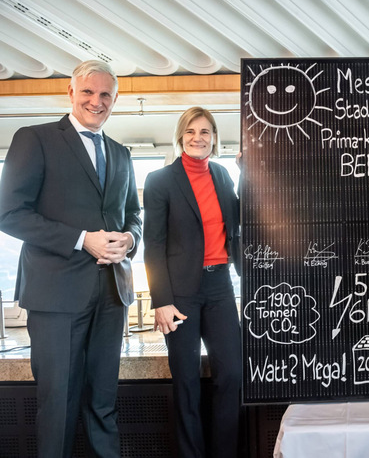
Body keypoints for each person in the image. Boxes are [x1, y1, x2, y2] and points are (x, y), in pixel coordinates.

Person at [0, 60, 142, 457]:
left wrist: (130, 239)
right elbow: (10, 214)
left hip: (112, 296)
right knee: (58, 405)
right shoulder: (35, 138)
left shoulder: (120, 152)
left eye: (105, 96)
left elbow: (133, 214)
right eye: (88, 92)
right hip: (56, 298)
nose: (96, 102)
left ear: (114, 100)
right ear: (70, 92)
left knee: (103, 404)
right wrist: (83, 240)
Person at [143, 106, 242, 458]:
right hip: (180, 294)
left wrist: (247, 171)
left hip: (220, 288)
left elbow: (240, 218)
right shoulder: (160, 180)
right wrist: (161, 300)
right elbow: (152, 244)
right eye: (191, 132)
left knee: (231, 374)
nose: (198, 138)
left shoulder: (222, 175)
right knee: (186, 382)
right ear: (180, 137)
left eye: (205, 131)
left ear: (214, 138)